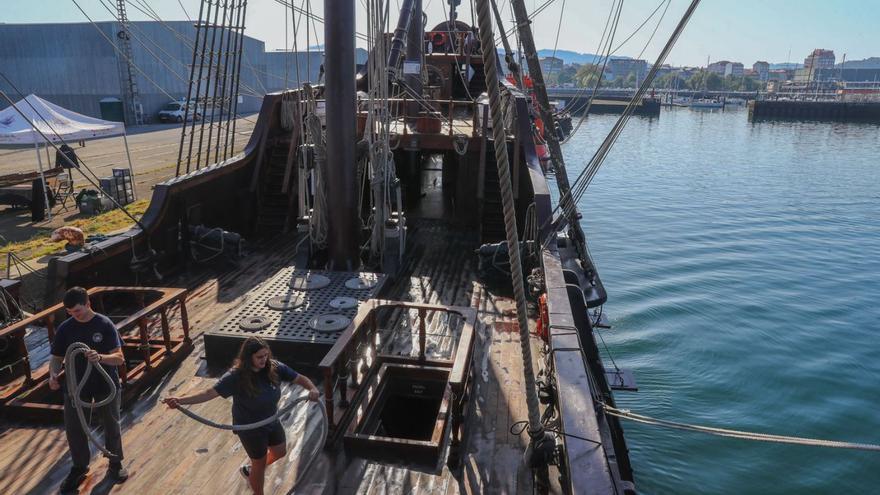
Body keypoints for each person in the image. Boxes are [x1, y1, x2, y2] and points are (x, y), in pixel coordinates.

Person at [163, 337, 320, 495]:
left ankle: (250, 471)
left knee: (280, 452)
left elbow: (300, 378)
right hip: (250, 428)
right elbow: (209, 393)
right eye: (259, 357)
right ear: (248, 357)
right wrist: (181, 401)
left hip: (270, 420)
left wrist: (312, 388)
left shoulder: (274, 368)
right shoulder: (235, 377)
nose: (264, 360)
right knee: (259, 464)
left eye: (266, 355)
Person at [48, 286, 128, 493]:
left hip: (104, 384)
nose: (74, 315)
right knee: (74, 428)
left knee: (111, 424)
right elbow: (56, 357)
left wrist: (100, 357)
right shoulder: (65, 329)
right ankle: (79, 466)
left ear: (88, 304)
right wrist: (53, 374)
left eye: (78, 311)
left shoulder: (105, 324)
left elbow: (119, 357)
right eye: (70, 312)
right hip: (76, 386)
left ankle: (115, 462)